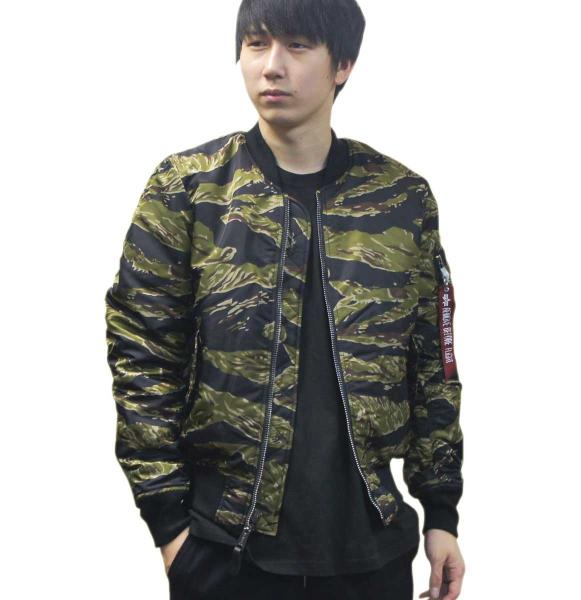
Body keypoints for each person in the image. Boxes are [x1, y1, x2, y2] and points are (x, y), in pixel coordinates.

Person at [104, 1, 466, 598]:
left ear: (342, 64)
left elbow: (434, 363)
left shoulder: (401, 199)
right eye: (256, 44)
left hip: (370, 551)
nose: (271, 66)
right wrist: (169, 528)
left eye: (297, 46)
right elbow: (141, 356)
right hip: (225, 550)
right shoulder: (188, 189)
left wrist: (441, 513)